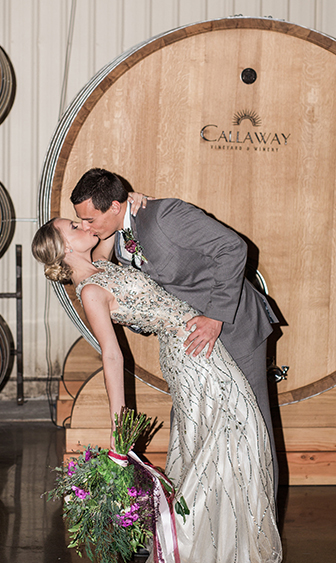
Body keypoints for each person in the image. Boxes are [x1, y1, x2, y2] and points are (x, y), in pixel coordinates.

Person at [31, 217, 282, 563]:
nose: (83, 222)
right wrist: (120, 430)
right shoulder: (89, 291)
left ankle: (217, 546)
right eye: (73, 225)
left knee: (227, 439)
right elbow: (112, 356)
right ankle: (205, 549)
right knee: (232, 435)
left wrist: (135, 201)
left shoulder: (100, 262)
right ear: (65, 248)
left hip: (195, 342)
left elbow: (115, 227)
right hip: (190, 353)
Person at [70, 168, 280, 500]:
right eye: (79, 221)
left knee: (252, 431)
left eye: (90, 219)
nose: (85, 226)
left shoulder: (165, 214)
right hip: (190, 351)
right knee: (203, 439)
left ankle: (259, 529)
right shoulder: (118, 234)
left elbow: (233, 248)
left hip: (235, 329)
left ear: (113, 205)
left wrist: (216, 317)